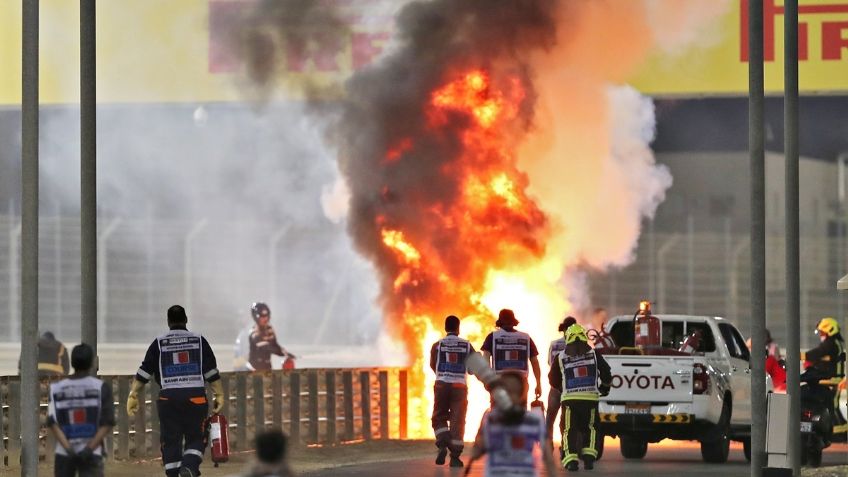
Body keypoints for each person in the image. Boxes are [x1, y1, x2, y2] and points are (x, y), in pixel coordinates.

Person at [127, 305, 224, 477]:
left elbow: (144, 372)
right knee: (196, 437)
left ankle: (174, 474)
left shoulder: (158, 343)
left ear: (168, 322)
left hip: (168, 400)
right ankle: (188, 468)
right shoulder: (199, 340)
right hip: (196, 399)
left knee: (170, 440)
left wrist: (133, 394)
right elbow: (211, 372)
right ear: (186, 320)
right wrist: (219, 394)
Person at [467, 370, 558, 477]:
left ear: (521, 395)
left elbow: (549, 459)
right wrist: (481, 435)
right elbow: (477, 452)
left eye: (513, 392)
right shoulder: (490, 418)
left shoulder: (535, 420)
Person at [548, 324, 612, 472]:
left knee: (569, 429)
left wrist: (562, 389)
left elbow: (552, 379)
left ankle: (571, 461)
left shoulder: (560, 357)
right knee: (591, 428)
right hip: (590, 399)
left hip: (569, 401)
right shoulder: (594, 354)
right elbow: (606, 372)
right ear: (584, 338)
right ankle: (589, 459)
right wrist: (605, 388)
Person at [47, 343, 115, 477]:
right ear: (91, 363)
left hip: (64, 453)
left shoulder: (56, 388)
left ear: (72, 362)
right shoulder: (101, 387)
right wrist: (89, 449)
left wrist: (69, 449)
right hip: (92, 452)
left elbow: (53, 423)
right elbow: (107, 423)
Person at [429, 315, 475, 467]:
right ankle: (455, 457)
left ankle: (442, 444)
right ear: (458, 328)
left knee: (438, 417)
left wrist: (444, 374)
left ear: (445, 328)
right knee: (458, 421)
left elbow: (433, 365)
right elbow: (472, 369)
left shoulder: (437, 345)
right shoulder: (467, 346)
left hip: (441, 385)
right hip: (459, 388)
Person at [480, 309, 543, 405]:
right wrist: (538, 383)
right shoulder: (525, 337)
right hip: (521, 383)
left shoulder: (492, 337)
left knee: (498, 415)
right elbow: (534, 361)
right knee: (519, 416)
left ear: (500, 322)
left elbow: (486, 358)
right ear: (513, 321)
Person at [804, 317, 846, 431]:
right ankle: (837, 430)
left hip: (832, 381)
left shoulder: (830, 343)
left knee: (832, 406)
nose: (821, 335)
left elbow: (815, 353)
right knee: (831, 406)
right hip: (832, 380)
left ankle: (839, 432)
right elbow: (823, 358)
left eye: (822, 332)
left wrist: (800, 356)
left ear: (829, 331)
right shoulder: (835, 343)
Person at [545, 316, 577, 448]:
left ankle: (548, 444)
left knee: (550, 418)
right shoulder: (579, 345)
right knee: (567, 419)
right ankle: (566, 444)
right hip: (572, 387)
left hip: (555, 387)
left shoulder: (554, 344)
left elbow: (549, 362)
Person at [248, 302, 293, 371]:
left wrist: (286, 353)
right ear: (255, 317)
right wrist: (281, 352)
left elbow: (275, 344)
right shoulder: (253, 332)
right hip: (253, 371)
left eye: (267, 316)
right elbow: (266, 347)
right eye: (262, 316)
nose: (265, 319)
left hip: (267, 369)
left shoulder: (269, 329)